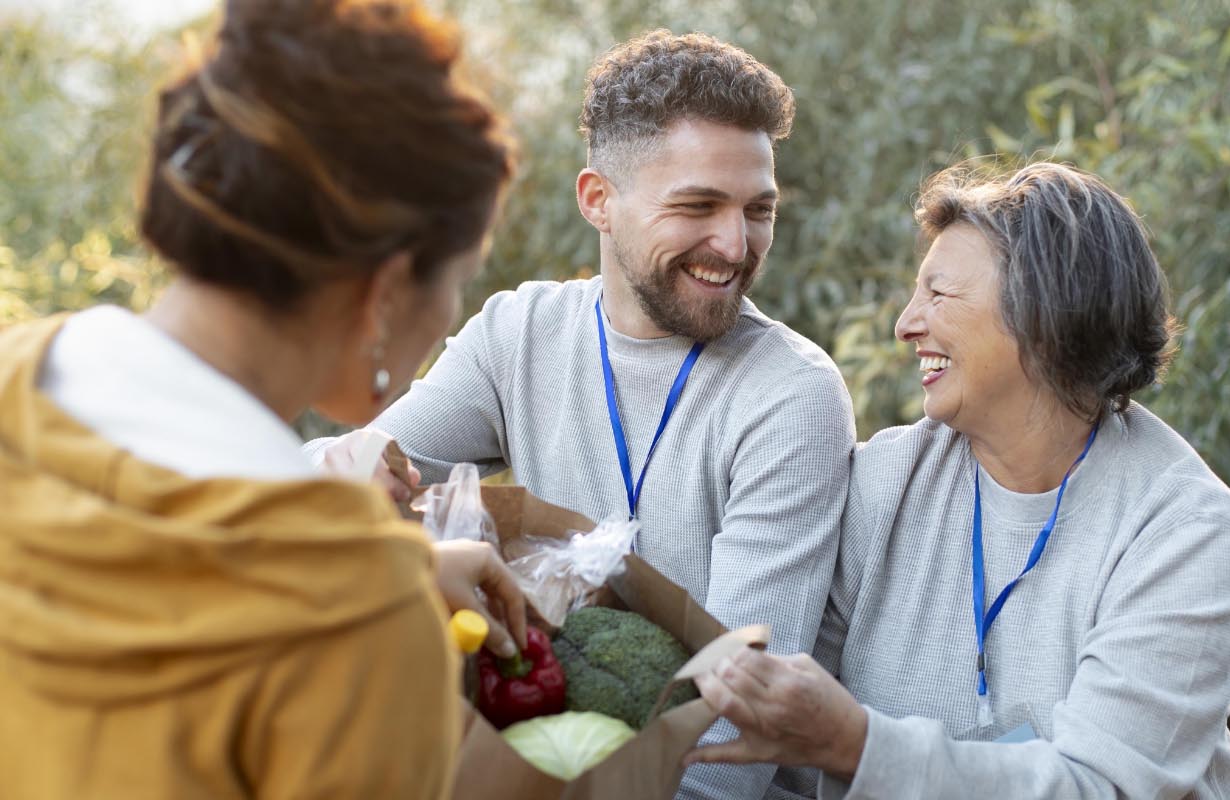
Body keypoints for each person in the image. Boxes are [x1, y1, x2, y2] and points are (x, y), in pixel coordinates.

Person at [305, 29, 856, 799]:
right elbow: (351, 475)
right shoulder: (518, 334)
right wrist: (345, 470)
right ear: (599, 200)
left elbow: (735, 743)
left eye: (757, 210)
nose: (734, 245)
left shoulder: (789, 395)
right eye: (697, 205)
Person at [0, 1, 526, 797]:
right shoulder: (353, 614)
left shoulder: (16, 373)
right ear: (385, 290)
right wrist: (375, 587)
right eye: (458, 280)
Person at [688, 162, 1230, 799]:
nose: (905, 324)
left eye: (939, 294)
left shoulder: (1183, 529)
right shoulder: (886, 483)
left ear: (1044, 312)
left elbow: (1103, 787)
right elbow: (780, 743)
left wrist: (858, 744)